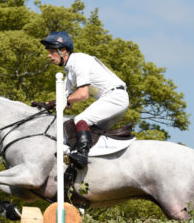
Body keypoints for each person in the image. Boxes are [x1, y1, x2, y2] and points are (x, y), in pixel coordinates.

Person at [39, 31, 130, 169]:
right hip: (113, 99)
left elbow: (83, 94)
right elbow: (65, 101)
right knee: (89, 133)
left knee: (80, 120)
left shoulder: (79, 61)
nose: (49, 55)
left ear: (63, 51)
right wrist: (48, 104)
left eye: (52, 51)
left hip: (115, 97)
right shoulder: (69, 71)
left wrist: (60, 102)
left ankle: (81, 157)